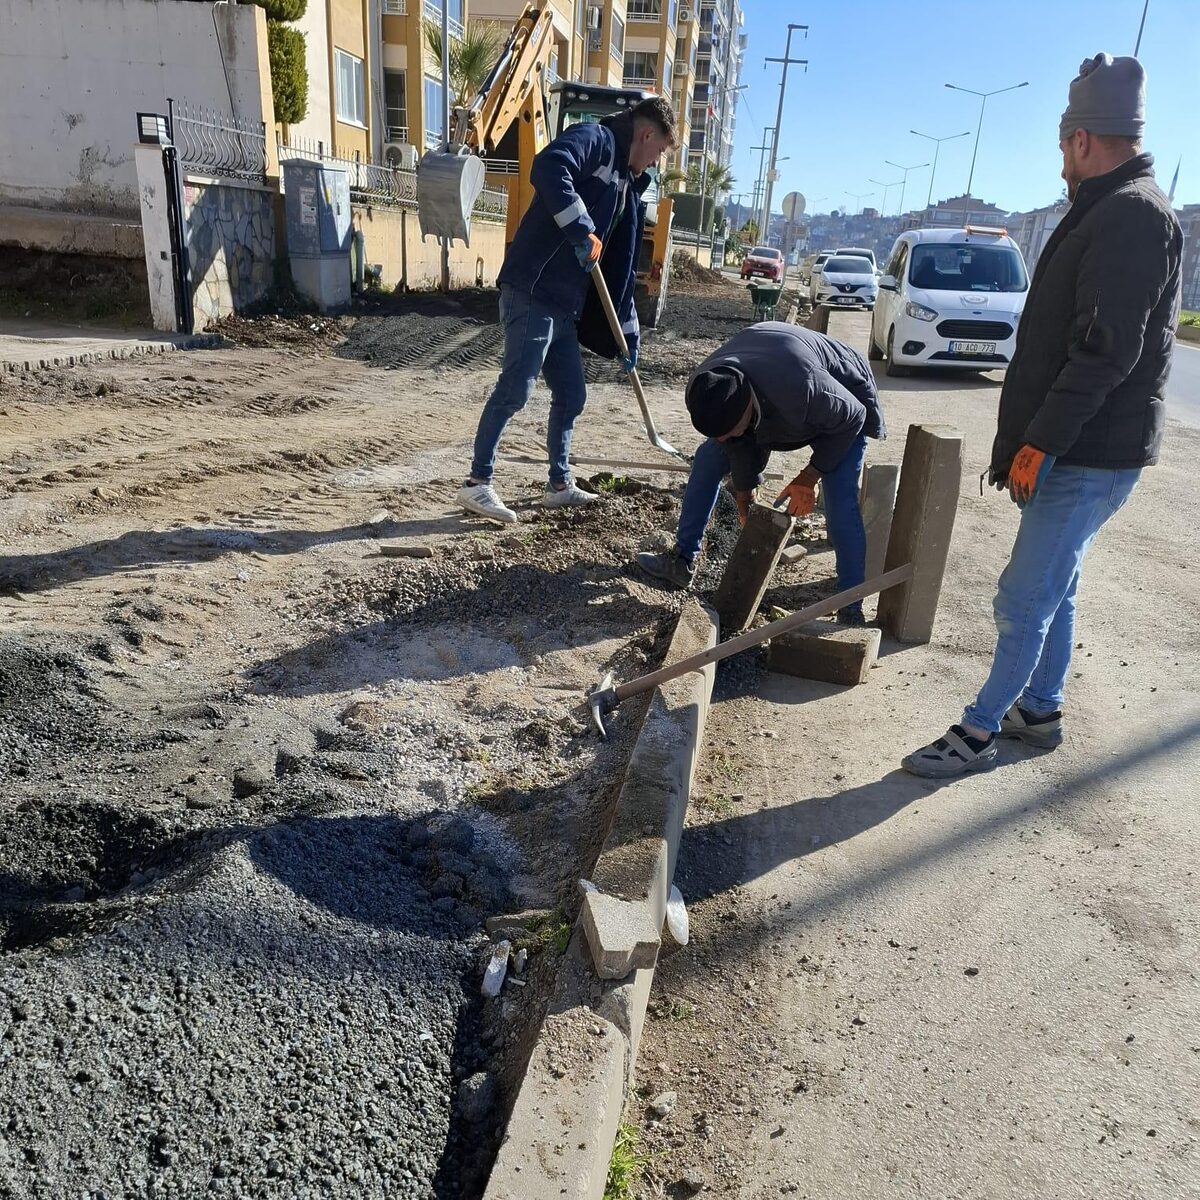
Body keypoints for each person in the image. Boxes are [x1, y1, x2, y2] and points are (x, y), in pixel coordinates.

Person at [903, 52, 1182, 779]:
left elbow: (1104, 353)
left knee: (1022, 597)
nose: (1062, 161)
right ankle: (1042, 709)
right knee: (1058, 584)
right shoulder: (1118, 206)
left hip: (1088, 451)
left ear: (1082, 139)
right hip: (1082, 448)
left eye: (1064, 146)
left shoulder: (1129, 215)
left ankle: (979, 729)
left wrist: (1041, 443)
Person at [457, 97, 678, 524]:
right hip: (533, 288)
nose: (658, 160)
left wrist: (627, 337)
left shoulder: (623, 183)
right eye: (661, 150)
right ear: (647, 134)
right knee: (517, 386)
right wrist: (581, 227)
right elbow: (548, 166)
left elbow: (619, 265)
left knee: (572, 394)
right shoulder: (595, 140)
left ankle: (559, 485)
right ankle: (477, 483)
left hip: (564, 305)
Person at [637, 322, 887, 624]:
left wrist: (809, 476)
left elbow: (852, 416)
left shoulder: (802, 385)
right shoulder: (708, 387)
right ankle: (682, 560)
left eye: (728, 432)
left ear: (746, 411)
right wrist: (745, 495)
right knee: (708, 458)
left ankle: (850, 604)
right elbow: (738, 443)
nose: (723, 439)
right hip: (774, 388)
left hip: (844, 401)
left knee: (839, 493)